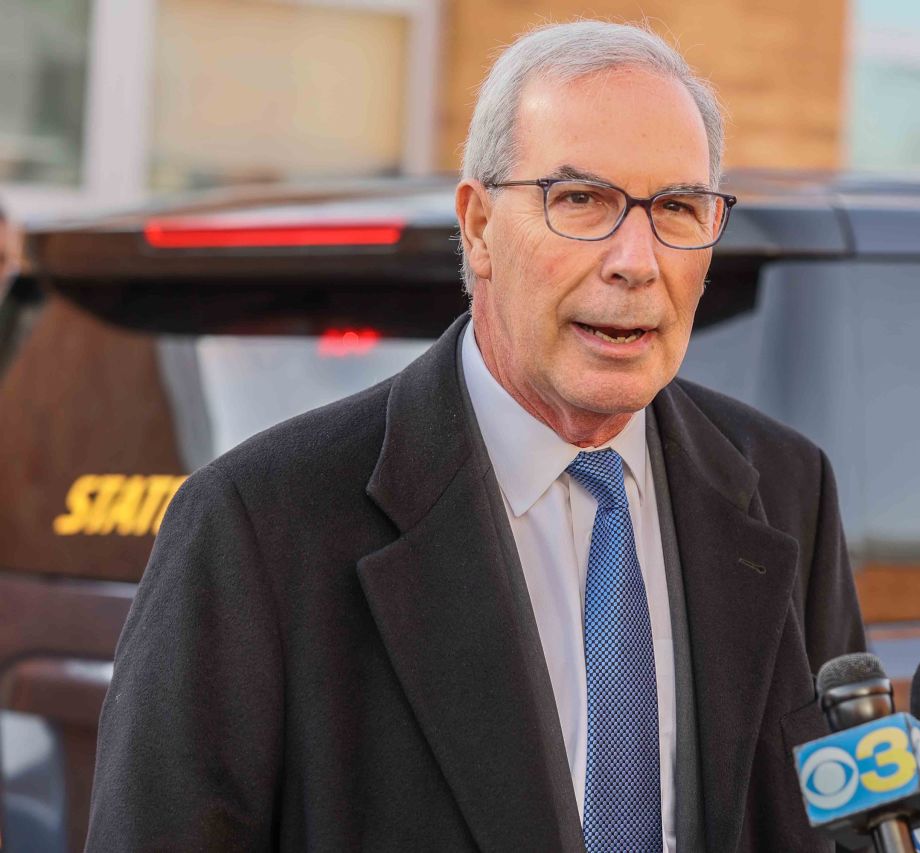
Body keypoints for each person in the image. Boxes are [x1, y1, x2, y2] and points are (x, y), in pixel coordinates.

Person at [86, 20, 863, 852]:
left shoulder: (784, 487)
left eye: (677, 208)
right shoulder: (257, 525)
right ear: (479, 225)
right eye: (582, 200)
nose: (637, 259)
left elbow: (842, 820)